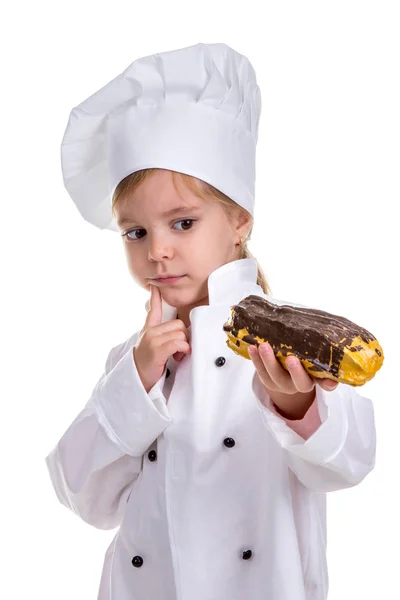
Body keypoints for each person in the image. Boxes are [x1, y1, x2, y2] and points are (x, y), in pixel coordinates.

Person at [45, 43, 376, 600]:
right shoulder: (131, 361)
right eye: (136, 232)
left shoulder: (284, 346)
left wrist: (298, 406)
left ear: (239, 220)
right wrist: (135, 383)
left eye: (182, 223)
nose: (158, 251)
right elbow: (82, 496)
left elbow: (350, 462)